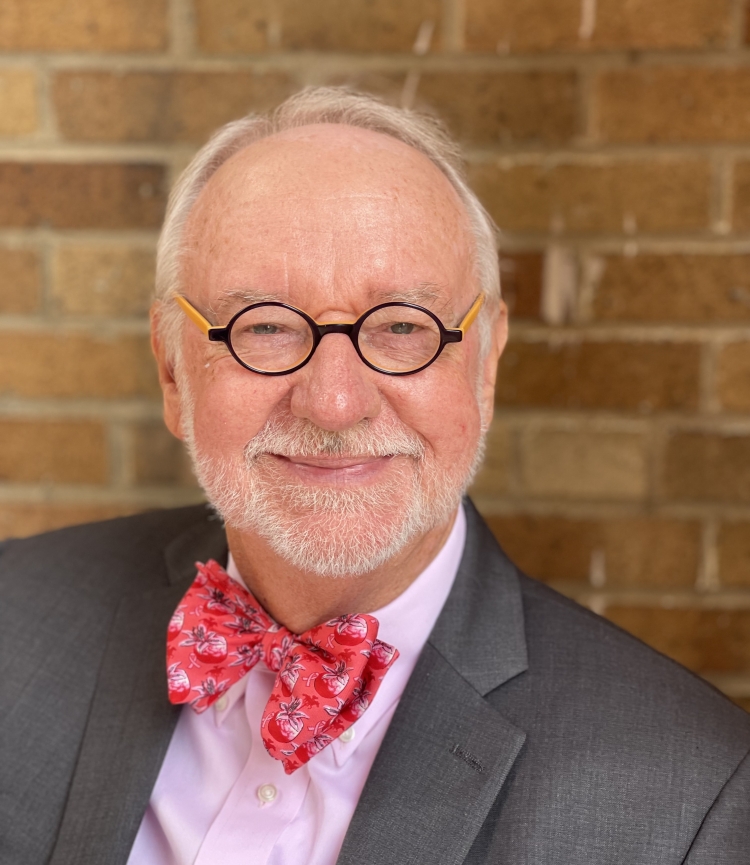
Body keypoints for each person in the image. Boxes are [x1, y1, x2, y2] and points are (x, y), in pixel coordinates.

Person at [1, 87, 749, 865]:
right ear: (171, 370)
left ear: (484, 367)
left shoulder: (690, 799)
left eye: (400, 327)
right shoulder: (14, 618)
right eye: (264, 324)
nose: (332, 402)